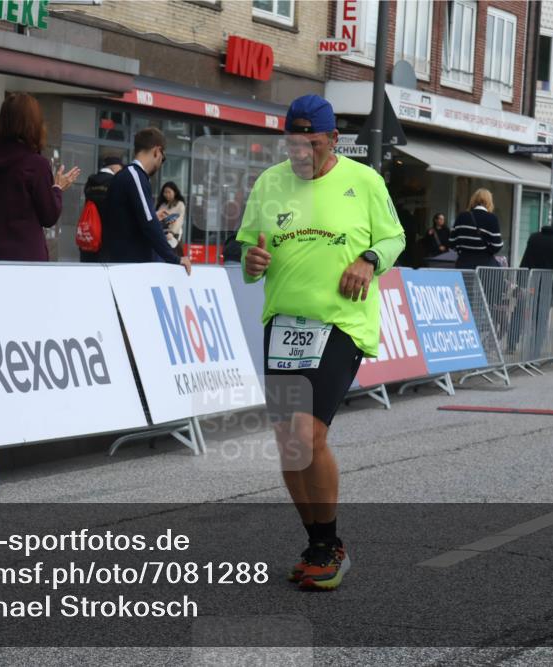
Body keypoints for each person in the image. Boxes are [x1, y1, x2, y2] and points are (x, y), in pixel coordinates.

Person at [236, 94, 405, 591]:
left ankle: (331, 544)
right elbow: (248, 246)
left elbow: (395, 237)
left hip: (340, 323)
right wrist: (251, 262)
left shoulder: (364, 181)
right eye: (294, 143)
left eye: (313, 143)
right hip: (283, 323)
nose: (303, 154)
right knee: (289, 444)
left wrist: (369, 259)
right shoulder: (270, 183)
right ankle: (316, 541)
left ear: (334, 140)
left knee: (309, 434)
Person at [0, 92, 80, 261]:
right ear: (34, 124)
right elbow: (49, 216)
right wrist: (57, 188)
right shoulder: (35, 164)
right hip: (25, 261)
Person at [104, 127, 192, 273]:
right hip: (131, 264)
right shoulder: (135, 176)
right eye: (162, 159)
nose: (160, 163)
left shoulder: (126, 175)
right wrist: (174, 258)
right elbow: (148, 222)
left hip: (121, 261)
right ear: (157, 151)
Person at [509, 218, 553, 356]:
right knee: (541, 317)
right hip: (544, 285)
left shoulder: (534, 238)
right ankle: (534, 350)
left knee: (520, 311)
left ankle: (511, 343)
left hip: (526, 280)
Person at [78, 156, 123, 263]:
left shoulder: (90, 181)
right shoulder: (115, 182)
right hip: (106, 240)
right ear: (115, 168)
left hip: (88, 235)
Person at [450, 189, 504, 269]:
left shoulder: (462, 216)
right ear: (489, 202)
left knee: (465, 282)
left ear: (473, 200)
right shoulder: (492, 218)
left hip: (463, 263)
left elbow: (452, 242)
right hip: (484, 266)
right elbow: (497, 245)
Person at [156, 181, 186, 254]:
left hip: (174, 235)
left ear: (175, 192)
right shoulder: (162, 205)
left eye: (169, 192)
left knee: (175, 256)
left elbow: (179, 220)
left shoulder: (180, 204)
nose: (166, 194)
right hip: (162, 235)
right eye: (165, 192)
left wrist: (172, 233)